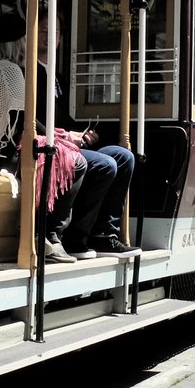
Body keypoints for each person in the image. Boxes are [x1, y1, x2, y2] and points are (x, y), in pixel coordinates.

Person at [0, 12, 86, 264]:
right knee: (73, 160)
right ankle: (43, 232)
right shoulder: (9, 71)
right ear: (20, 43)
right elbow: (26, 122)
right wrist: (61, 137)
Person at [37, 13, 137, 259]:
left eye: (56, 32)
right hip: (47, 144)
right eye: (44, 30)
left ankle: (104, 234)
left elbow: (60, 117)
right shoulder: (27, 72)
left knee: (124, 157)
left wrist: (82, 134)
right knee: (105, 164)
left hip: (64, 141)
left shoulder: (55, 76)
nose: (50, 36)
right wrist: (66, 136)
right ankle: (75, 237)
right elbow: (31, 119)